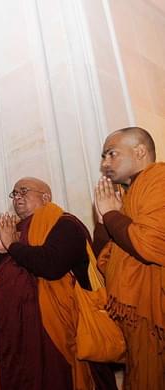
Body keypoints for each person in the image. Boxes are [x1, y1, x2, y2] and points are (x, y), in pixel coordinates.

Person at [0, 177, 115, 390]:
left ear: (45, 197)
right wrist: (1, 253)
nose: (17, 196)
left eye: (24, 191)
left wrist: (12, 245)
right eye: (14, 193)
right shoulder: (15, 233)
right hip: (22, 338)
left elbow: (51, 265)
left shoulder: (65, 224)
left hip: (61, 333)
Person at [94, 127, 165, 389]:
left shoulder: (159, 179)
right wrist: (104, 222)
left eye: (112, 154)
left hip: (154, 307)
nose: (105, 164)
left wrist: (112, 216)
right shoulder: (126, 194)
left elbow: (149, 243)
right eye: (103, 157)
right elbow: (105, 260)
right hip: (135, 316)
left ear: (139, 151)